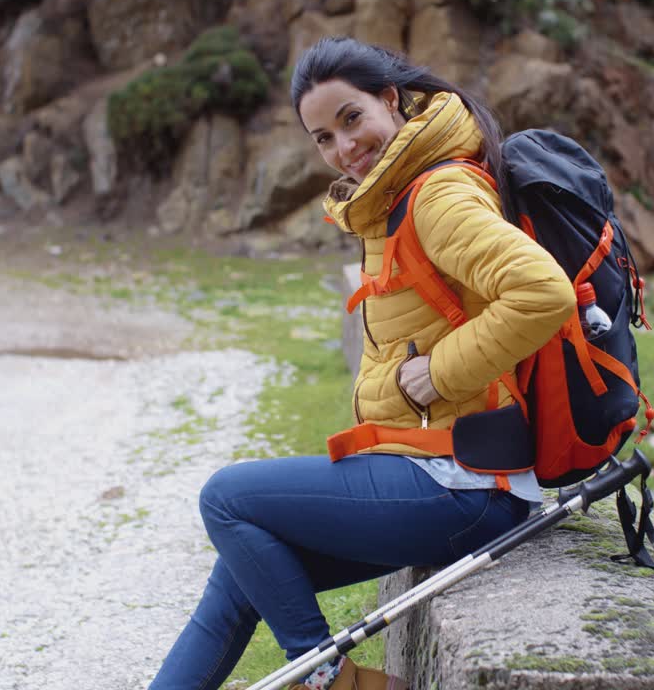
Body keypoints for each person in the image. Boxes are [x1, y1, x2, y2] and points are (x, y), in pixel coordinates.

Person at [149, 36, 574, 690]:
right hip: (433, 471)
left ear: (389, 100)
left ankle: (331, 682)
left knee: (227, 499)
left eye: (351, 119)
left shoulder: (438, 193)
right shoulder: (396, 198)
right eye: (322, 138)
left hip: (464, 484)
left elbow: (543, 293)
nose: (343, 147)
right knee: (238, 576)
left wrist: (439, 371)